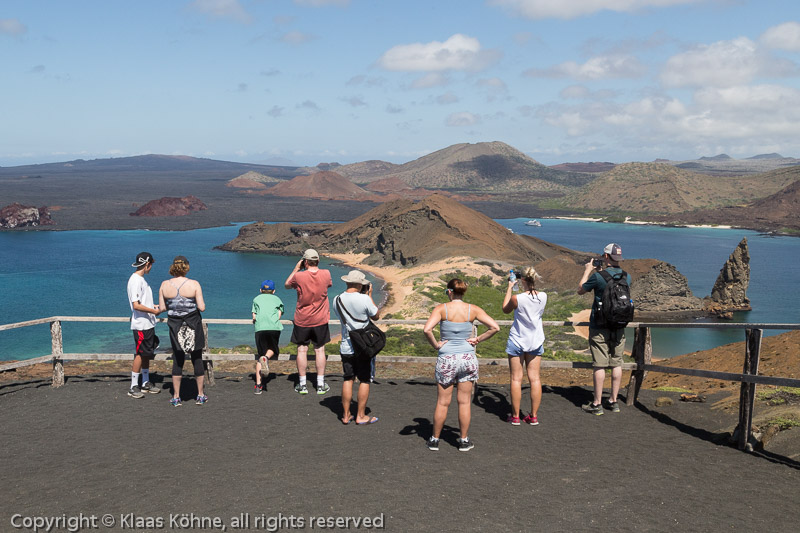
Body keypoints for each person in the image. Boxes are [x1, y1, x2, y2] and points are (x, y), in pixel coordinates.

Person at [423, 278, 500, 452]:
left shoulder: (441, 309)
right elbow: (495, 327)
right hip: (467, 358)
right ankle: (463, 440)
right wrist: (477, 339)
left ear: (450, 292)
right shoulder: (473, 310)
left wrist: (436, 345)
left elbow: (427, 329)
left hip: (447, 358)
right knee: (464, 402)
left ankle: (435, 439)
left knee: (443, 402)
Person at [577, 243, 631, 415]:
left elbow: (580, 290)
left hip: (599, 326)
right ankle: (614, 401)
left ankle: (597, 403)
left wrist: (587, 270)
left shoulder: (598, 277)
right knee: (616, 363)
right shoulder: (626, 276)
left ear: (606, 257)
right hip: (619, 326)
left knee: (599, 365)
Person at [501, 267, 548, 426]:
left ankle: (515, 417)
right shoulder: (544, 296)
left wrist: (509, 287)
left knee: (516, 378)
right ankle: (533, 416)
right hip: (535, 340)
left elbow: (505, 309)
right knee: (535, 378)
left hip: (517, 340)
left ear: (523, 280)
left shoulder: (517, 298)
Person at [333, 270, 380, 425]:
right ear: (360, 284)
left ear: (347, 282)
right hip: (363, 347)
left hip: (346, 345)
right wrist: (370, 296)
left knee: (348, 379)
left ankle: (346, 415)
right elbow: (376, 315)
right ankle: (360, 416)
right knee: (364, 380)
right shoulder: (364, 299)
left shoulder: (336, 299)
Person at [159, 255, 207, 407]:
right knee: (197, 358)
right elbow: (202, 307)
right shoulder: (194, 284)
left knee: (178, 360)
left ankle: (176, 396)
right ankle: (200, 395)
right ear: (186, 267)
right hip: (193, 323)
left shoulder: (164, 285)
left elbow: (162, 308)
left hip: (175, 325)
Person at [284, 249, 333, 395]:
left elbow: (287, 284)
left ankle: (303, 384)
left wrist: (296, 268)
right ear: (318, 261)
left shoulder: (298, 276)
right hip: (321, 319)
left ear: (305, 261)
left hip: (302, 319)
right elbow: (327, 285)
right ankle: (320, 384)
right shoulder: (326, 274)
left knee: (302, 350)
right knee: (320, 350)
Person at [127, 252, 163, 399]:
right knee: (140, 354)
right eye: (151, 264)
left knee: (147, 353)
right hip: (141, 325)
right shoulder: (136, 280)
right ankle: (133, 386)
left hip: (147, 323)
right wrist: (153, 311)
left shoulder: (140, 280)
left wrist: (153, 307)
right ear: (147, 264)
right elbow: (136, 305)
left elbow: (142, 302)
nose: (151, 267)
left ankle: (146, 382)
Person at [252, 279, 284, 394]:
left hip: (260, 328)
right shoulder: (277, 299)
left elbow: (254, 316)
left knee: (260, 356)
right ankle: (266, 358)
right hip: (273, 328)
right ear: (273, 291)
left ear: (261, 290)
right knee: (273, 350)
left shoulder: (256, 299)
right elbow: (279, 314)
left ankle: (258, 386)